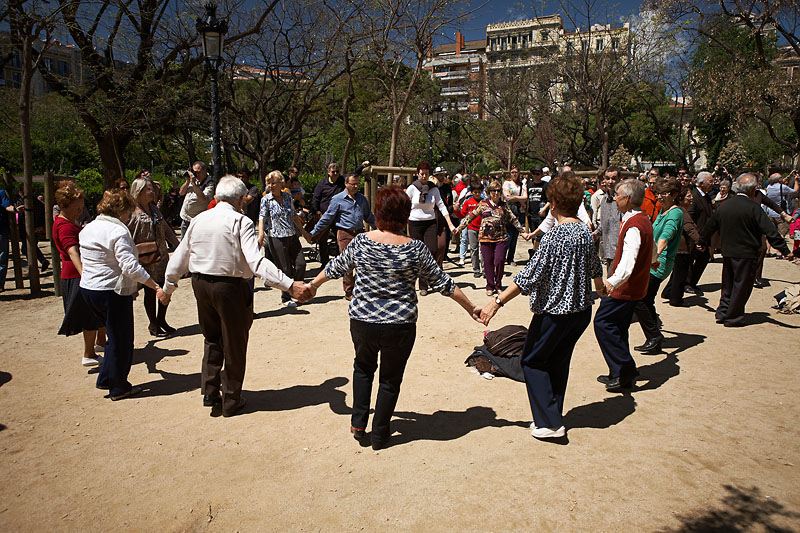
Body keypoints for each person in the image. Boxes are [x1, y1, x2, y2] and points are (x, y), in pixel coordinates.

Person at [305, 186, 481, 449]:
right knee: (390, 379)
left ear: (378, 212)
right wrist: (472, 308)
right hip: (400, 326)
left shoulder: (362, 241)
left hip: (363, 322)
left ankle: (358, 423)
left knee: (363, 369)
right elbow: (444, 283)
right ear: (405, 215)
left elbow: (335, 267)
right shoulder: (416, 249)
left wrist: (313, 286)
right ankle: (379, 433)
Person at [164, 177, 312, 417]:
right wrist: (289, 285)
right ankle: (231, 399)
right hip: (230, 287)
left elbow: (181, 255)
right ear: (240, 199)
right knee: (234, 344)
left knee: (211, 337)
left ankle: (210, 390)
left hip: (201, 285)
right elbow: (256, 262)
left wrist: (169, 286)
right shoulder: (240, 221)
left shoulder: (199, 219)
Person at [479, 175, 603, 441]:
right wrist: (602, 288)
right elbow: (595, 267)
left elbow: (528, 277)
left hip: (555, 314)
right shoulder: (584, 231)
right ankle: (552, 414)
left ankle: (549, 422)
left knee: (533, 361)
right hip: (580, 313)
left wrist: (496, 302)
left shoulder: (553, 237)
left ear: (554, 202)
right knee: (558, 361)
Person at [79, 189, 167, 400]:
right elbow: (129, 266)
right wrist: (153, 285)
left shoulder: (88, 228)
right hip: (111, 290)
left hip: (90, 289)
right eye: (128, 211)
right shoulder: (117, 232)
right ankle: (119, 387)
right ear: (120, 211)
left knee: (112, 336)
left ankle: (106, 378)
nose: (129, 216)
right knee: (121, 340)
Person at [699, 173, 793, 327]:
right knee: (742, 286)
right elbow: (770, 231)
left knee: (727, 284)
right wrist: (785, 250)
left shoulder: (725, 206)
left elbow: (710, 225)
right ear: (753, 189)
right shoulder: (753, 208)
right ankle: (733, 317)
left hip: (728, 252)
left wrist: (701, 241)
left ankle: (723, 312)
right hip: (747, 253)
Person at [594, 179, 654, 392]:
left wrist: (612, 283)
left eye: (618, 195)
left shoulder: (635, 225)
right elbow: (651, 249)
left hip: (625, 289)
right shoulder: (641, 220)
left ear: (627, 199)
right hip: (632, 287)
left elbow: (629, 260)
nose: (615, 198)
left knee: (603, 324)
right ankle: (619, 372)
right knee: (618, 327)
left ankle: (625, 368)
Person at [53, 181, 107, 366]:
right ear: (62, 206)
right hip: (76, 274)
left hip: (77, 273)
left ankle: (100, 343)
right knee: (89, 315)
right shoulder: (64, 226)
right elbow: (72, 251)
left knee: (96, 313)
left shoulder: (67, 221)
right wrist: (85, 274)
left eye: (81, 208)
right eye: (76, 208)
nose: (79, 211)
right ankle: (89, 353)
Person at [632, 177, 684, 353]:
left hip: (658, 264)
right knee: (646, 300)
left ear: (675, 195)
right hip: (653, 262)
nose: (660, 197)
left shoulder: (675, 213)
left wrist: (655, 256)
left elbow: (666, 236)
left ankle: (654, 337)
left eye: (665, 193)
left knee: (640, 300)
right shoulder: (663, 211)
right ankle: (654, 337)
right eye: (658, 193)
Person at [455, 180, 530, 295]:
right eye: (493, 191)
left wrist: (523, 232)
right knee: (488, 262)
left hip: (500, 238)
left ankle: (498, 284)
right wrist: (459, 228)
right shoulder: (483, 204)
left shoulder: (504, 206)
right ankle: (490, 285)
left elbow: (513, 219)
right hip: (485, 239)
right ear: (489, 192)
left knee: (499, 261)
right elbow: (470, 216)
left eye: (498, 191)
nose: (495, 193)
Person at [127, 178, 180, 336]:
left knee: (166, 287)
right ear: (139, 191)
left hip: (161, 256)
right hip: (144, 257)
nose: (152, 192)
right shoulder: (131, 211)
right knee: (150, 291)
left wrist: (178, 245)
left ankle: (161, 319)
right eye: (148, 189)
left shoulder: (154, 208)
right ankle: (153, 324)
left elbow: (165, 228)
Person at [310, 172, 375, 300]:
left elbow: (368, 216)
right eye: (353, 184)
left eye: (357, 184)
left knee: (363, 261)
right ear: (346, 184)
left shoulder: (362, 199)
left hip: (359, 233)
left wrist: (381, 228)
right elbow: (327, 218)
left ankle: (359, 287)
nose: (356, 186)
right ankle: (349, 291)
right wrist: (314, 232)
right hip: (345, 233)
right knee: (348, 263)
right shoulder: (337, 199)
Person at [258, 170, 309, 307]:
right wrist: (261, 234)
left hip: (291, 235)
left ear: (281, 183)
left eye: (273, 183)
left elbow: (293, 216)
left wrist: (303, 231)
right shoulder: (266, 200)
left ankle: (298, 291)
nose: (270, 186)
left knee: (301, 264)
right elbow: (262, 218)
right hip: (276, 237)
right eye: (268, 183)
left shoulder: (287, 197)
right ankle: (286, 297)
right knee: (285, 269)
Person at [406, 162, 457, 295]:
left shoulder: (433, 189)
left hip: (430, 222)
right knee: (418, 253)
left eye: (426, 174)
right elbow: (404, 205)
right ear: (418, 174)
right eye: (422, 173)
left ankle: (427, 279)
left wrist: (450, 224)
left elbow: (441, 206)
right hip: (415, 223)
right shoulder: (412, 188)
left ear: (429, 175)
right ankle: (422, 285)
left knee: (432, 250)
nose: (424, 176)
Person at [311, 161, 368, 266]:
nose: (336, 173)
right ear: (329, 172)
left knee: (339, 240)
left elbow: (353, 175)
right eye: (333, 172)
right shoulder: (322, 184)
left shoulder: (342, 181)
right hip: (325, 215)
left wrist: (361, 166)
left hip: (339, 217)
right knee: (322, 240)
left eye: (337, 171)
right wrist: (317, 212)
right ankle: (325, 263)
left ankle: (339, 263)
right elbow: (315, 199)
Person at [663, 187, 702, 307]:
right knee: (681, 275)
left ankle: (668, 292)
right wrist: (700, 241)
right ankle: (676, 299)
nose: (691, 199)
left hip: (678, 248)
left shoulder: (678, 210)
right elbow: (689, 229)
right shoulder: (682, 212)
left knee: (676, 273)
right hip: (682, 249)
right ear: (680, 199)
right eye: (688, 196)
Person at [685, 171, 715, 294]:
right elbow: (690, 217)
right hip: (695, 235)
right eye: (710, 181)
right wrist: (695, 235)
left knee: (704, 258)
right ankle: (686, 283)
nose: (713, 183)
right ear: (702, 183)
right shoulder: (694, 196)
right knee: (690, 259)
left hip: (705, 235)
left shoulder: (707, 196)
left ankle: (693, 282)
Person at [594, 167, 623, 276]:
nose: (610, 182)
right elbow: (604, 224)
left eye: (613, 178)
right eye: (607, 178)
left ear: (620, 179)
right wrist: (595, 234)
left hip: (621, 250)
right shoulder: (604, 200)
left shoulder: (623, 199)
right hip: (608, 250)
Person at [179, 161, 214, 237]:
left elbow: (203, 199)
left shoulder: (209, 183)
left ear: (205, 171)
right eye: (194, 172)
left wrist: (194, 184)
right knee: (183, 246)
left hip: (198, 221)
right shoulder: (192, 180)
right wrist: (187, 181)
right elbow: (181, 193)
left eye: (198, 172)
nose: (196, 174)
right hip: (185, 218)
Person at [459, 182, 484, 278]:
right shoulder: (468, 202)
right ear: (472, 192)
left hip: (483, 228)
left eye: (479, 192)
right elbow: (462, 214)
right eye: (475, 192)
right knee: (474, 249)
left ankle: (485, 269)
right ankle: (476, 269)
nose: (477, 194)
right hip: (471, 228)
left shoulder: (484, 201)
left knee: (483, 249)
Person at [503, 165, 527, 264]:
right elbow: (507, 197)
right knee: (508, 235)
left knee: (515, 236)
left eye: (516, 172)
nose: (514, 174)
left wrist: (515, 198)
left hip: (519, 211)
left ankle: (510, 258)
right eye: (512, 172)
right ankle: (502, 255)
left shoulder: (522, 184)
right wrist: (519, 198)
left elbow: (525, 197)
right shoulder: (507, 183)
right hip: (509, 211)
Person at [0, 187, 16, 291]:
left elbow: (7, 206)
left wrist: (15, 209)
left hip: (1, 229)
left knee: (2, 257)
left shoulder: (1, 193)